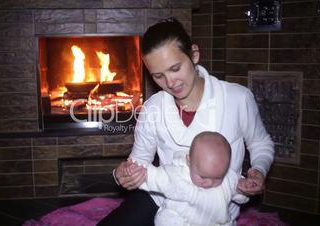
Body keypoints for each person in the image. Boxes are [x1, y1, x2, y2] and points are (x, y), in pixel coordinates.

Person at [97, 17, 274, 226]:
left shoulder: (237, 98)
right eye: (158, 75)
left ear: (194, 55)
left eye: (175, 68)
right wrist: (123, 174)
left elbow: (260, 143)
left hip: (216, 209)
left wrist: (258, 171)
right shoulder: (153, 107)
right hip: (164, 200)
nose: (170, 82)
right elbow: (139, 161)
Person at [134, 131, 249, 226]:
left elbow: (239, 191)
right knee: (168, 220)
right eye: (202, 176)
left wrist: (244, 188)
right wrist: (139, 171)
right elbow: (157, 177)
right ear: (189, 161)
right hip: (182, 219)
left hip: (215, 222)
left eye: (217, 178)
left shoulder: (227, 178)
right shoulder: (179, 174)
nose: (209, 183)